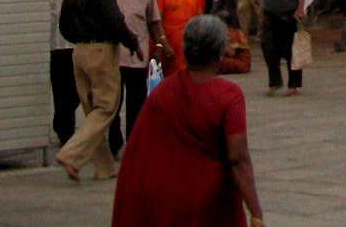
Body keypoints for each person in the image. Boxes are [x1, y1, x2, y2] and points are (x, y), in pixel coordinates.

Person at [111, 15, 264, 227]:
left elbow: (139, 152)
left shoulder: (162, 92)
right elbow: (238, 157)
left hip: (165, 202)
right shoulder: (228, 96)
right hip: (211, 204)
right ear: (219, 51)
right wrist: (255, 212)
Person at [57, 0, 141, 181]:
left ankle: (104, 168)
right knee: (105, 109)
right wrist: (133, 43)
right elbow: (117, 23)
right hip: (101, 50)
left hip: (78, 52)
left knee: (92, 111)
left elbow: (63, 25)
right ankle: (71, 153)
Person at [108, 0, 165, 156]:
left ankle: (134, 145)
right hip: (111, 57)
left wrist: (159, 44)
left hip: (136, 57)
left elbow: (153, 20)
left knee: (136, 106)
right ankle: (114, 143)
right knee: (111, 105)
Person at [50, 0, 83, 144]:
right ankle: (65, 132)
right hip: (58, 42)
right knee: (61, 89)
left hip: (79, 42)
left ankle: (61, 122)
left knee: (77, 90)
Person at [155, 0, 205, 75]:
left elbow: (199, 22)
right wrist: (163, 44)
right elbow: (157, 20)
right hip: (168, 45)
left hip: (188, 46)